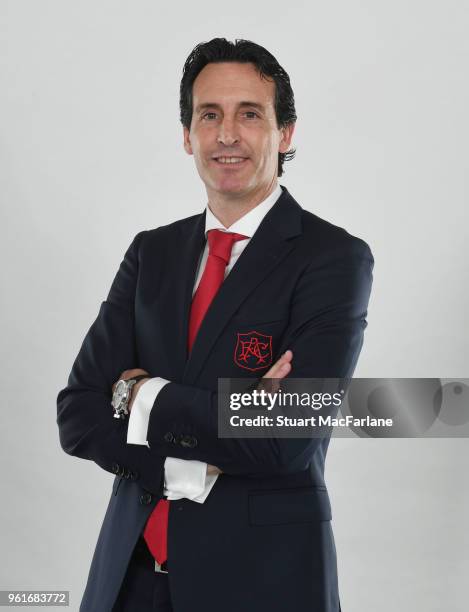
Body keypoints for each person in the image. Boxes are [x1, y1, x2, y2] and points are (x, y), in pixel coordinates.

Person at [57, 37, 374, 612]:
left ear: (286, 133)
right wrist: (198, 451)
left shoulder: (333, 259)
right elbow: (77, 414)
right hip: (128, 578)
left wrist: (140, 393)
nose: (228, 134)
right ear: (187, 136)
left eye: (250, 115)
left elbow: (285, 440)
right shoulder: (151, 253)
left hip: (260, 582)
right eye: (210, 115)